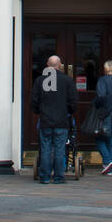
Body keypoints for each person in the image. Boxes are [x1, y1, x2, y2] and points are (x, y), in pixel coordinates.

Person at [30, 54, 77, 184]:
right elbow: (73, 102)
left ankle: (44, 177)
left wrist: (38, 111)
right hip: (61, 121)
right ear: (60, 65)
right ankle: (58, 177)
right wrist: (69, 112)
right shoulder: (67, 80)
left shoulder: (39, 81)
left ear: (47, 65)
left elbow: (34, 101)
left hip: (45, 120)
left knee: (45, 148)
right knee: (60, 149)